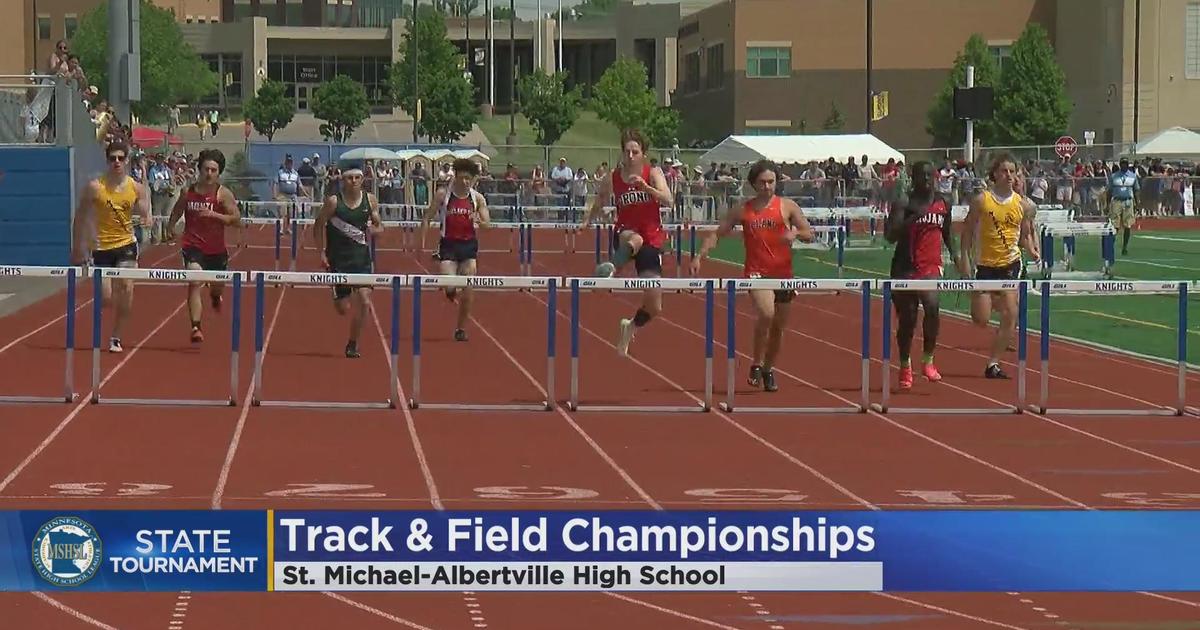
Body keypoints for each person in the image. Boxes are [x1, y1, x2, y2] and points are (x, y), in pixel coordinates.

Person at [691, 160, 813, 392]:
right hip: (756, 273)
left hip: (783, 274)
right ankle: (756, 363)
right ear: (753, 184)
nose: (767, 187)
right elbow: (718, 233)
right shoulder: (742, 210)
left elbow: (809, 233)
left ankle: (768, 369)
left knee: (778, 328)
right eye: (762, 182)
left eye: (771, 182)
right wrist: (700, 256)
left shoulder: (787, 206)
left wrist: (795, 233)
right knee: (767, 313)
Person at [580, 129, 675, 356]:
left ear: (643, 153)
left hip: (652, 237)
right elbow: (599, 200)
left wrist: (647, 188)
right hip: (625, 232)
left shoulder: (652, 173)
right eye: (627, 151)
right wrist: (587, 221)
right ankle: (612, 267)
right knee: (635, 238)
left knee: (654, 306)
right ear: (622, 153)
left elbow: (669, 199)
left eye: (635, 151)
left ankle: (630, 326)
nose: (630, 156)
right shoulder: (613, 177)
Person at [957, 154, 1040, 379]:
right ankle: (990, 299)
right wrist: (963, 256)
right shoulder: (982, 200)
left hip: (1010, 265)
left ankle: (993, 364)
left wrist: (1032, 249)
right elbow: (967, 230)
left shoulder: (1023, 205)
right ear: (995, 174)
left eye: (1013, 172)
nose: (1010, 176)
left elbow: (1024, 235)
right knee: (981, 320)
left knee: (1011, 313)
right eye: (1004, 171)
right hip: (985, 265)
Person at [70, 140, 152, 353]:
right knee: (106, 298)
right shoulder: (95, 187)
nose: (117, 162)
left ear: (126, 161)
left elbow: (145, 209)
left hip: (126, 244)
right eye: (112, 158)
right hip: (102, 246)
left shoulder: (135, 187)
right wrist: (77, 247)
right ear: (107, 161)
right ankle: (108, 303)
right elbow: (80, 217)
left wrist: (147, 217)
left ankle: (116, 336)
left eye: (121, 158)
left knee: (126, 288)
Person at [885, 161, 955, 390]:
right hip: (904, 267)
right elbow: (890, 236)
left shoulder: (944, 202)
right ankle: (905, 365)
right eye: (921, 176)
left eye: (930, 175)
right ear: (913, 178)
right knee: (908, 320)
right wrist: (914, 217)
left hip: (930, 267)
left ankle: (928, 360)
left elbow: (947, 233)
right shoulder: (904, 203)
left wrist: (957, 257)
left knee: (932, 306)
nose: (926, 179)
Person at [164, 149, 242, 343]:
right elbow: (177, 210)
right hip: (193, 246)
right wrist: (171, 226)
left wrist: (215, 215)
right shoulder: (187, 192)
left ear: (218, 173)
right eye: (206, 169)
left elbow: (236, 219)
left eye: (213, 170)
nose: (209, 173)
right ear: (199, 170)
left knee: (217, 288)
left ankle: (215, 297)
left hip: (216, 250)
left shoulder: (223, 194)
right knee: (195, 280)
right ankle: (196, 326)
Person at [313, 168, 384, 358]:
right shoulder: (334, 202)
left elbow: (379, 226)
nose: (354, 181)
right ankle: (340, 293)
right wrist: (321, 253)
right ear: (343, 180)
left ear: (362, 180)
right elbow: (318, 225)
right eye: (350, 178)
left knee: (364, 301)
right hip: (338, 260)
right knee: (343, 309)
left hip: (361, 259)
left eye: (357, 178)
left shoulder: (370, 200)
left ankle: (352, 344)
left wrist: (375, 230)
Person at [420, 158, 491, 342]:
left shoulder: (477, 198)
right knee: (449, 285)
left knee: (468, 291)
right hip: (448, 245)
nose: (465, 182)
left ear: (473, 179)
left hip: (468, 247)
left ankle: (460, 329)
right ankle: (450, 291)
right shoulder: (443, 195)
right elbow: (427, 217)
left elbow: (488, 225)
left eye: (469, 178)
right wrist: (422, 243)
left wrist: (479, 220)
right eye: (462, 178)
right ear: (456, 177)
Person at [1107, 158, 1139, 255]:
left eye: (1125, 163)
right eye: (1122, 164)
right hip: (1117, 201)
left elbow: (1136, 190)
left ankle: (1125, 246)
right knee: (1114, 225)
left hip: (1128, 201)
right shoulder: (1114, 176)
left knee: (1127, 225)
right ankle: (1111, 245)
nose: (1124, 165)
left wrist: (1137, 203)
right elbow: (1109, 191)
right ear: (1120, 165)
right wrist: (1108, 204)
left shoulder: (1133, 176)